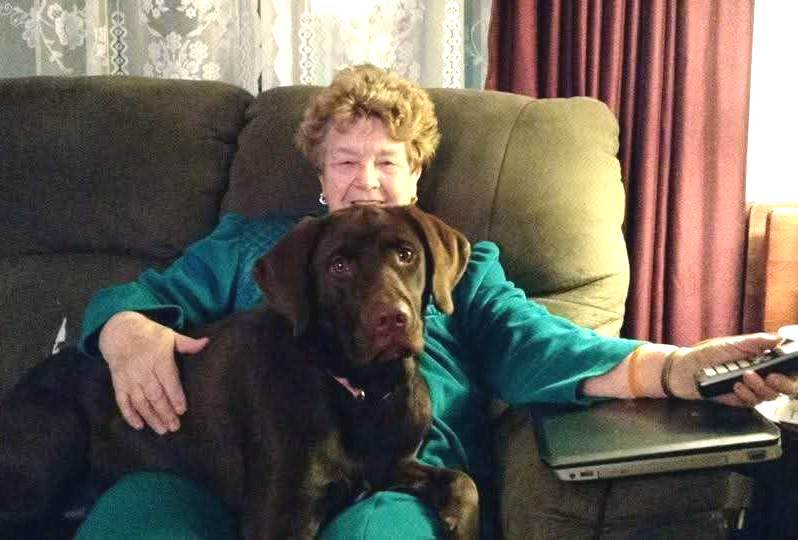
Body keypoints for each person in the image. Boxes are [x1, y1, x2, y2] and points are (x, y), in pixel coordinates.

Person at [69, 65, 794, 538]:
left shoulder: (461, 265)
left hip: (396, 480)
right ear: (320, 175)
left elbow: (543, 345)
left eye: (388, 160)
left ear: (415, 173)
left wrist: (681, 365)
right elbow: (138, 295)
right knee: (134, 516)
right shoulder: (255, 250)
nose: (367, 180)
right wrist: (127, 332)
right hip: (220, 474)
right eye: (346, 161)